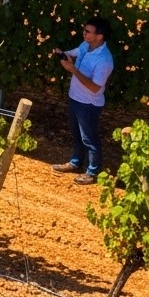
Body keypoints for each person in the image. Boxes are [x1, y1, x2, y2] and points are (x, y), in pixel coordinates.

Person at [50, 16, 114, 185]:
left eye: (88, 32)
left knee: (89, 139)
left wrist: (72, 69)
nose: (84, 33)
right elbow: (74, 53)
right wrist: (63, 54)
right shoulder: (86, 46)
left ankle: (92, 172)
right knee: (77, 134)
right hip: (74, 98)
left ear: (99, 36)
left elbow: (95, 87)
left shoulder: (104, 60)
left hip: (88, 104)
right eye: (84, 30)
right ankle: (76, 162)